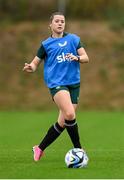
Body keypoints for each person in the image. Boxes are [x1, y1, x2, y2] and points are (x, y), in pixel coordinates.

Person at [23, 12, 89, 162]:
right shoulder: (46, 44)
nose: (60, 23)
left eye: (62, 21)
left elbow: (86, 58)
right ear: (50, 25)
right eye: (57, 21)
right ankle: (78, 149)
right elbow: (35, 62)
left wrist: (77, 58)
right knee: (70, 115)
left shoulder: (73, 39)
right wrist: (31, 67)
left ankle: (39, 148)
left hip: (74, 85)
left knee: (63, 122)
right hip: (57, 84)